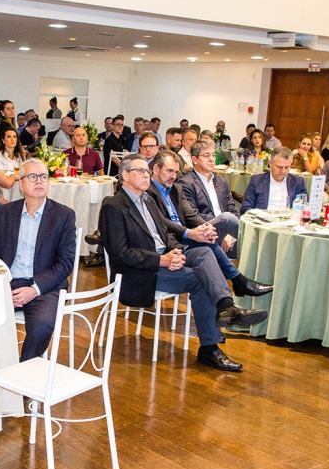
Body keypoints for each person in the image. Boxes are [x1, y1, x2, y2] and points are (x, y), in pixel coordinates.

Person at [99, 154, 267, 372]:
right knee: (200, 280)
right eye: (139, 171)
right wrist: (161, 260)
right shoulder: (113, 206)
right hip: (141, 273)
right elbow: (120, 254)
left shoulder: (147, 200)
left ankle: (226, 306)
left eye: (146, 171)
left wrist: (175, 250)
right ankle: (210, 348)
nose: (146, 175)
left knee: (205, 251)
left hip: (165, 258)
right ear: (124, 175)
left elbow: (163, 234)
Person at [147, 150, 272, 297]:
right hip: (170, 240)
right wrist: (192, 233)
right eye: (169, 171)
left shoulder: (176, 188)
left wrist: (205, 228)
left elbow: (190, 214)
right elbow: (162, 222)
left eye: (175, 172)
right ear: (156, 169)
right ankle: (244, 275)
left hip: (188, 236)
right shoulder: (148, 191)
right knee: (222, 224)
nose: (173, 176)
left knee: (209, 238)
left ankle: (238, 283)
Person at [0, 159, 77, 361]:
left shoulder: (64, 215)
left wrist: (34, 289)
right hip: (9, 281)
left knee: (41, 326)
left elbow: (65, 263)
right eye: (32, 177)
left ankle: (22, 373)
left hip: (45, 286)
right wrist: (3, 287)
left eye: (43, 177)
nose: (39, 181)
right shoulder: (5, 213)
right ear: (21, 184)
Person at [180, 140, 240, 246]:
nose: (212, 159)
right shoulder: (186, 183)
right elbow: (193, 216)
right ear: (194, 160)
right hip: (203, 231)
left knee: (248, 247)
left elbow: (233, 210)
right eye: (206, 155)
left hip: (227, 233)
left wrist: (229, 234)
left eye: (213, 155)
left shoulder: (221, 181)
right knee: (226, 218)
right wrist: (222, 224)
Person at [241, 148, 308, 214]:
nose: (283, 171)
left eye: (287, 167)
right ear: (270, 163)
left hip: (289, 219)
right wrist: (257, 215)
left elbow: (305, 206)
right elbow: (246, 207)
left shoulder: (298, 182)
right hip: (263, 219)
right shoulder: (256, 181)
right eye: (279, 167)